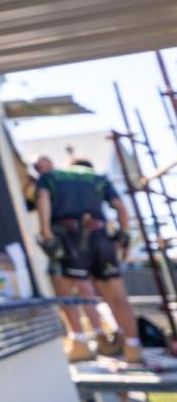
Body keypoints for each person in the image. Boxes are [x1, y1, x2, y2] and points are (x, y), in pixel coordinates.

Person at [36, 154, 141, 363]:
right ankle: (132, 348)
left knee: (66, 291)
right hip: (101, 236)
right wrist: (124, 234)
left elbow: (43, 199)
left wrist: (46, 232)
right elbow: (120, 206)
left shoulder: (51, 177)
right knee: (117, 295)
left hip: (69, 235)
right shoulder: (98, 177)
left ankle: (79, 343)